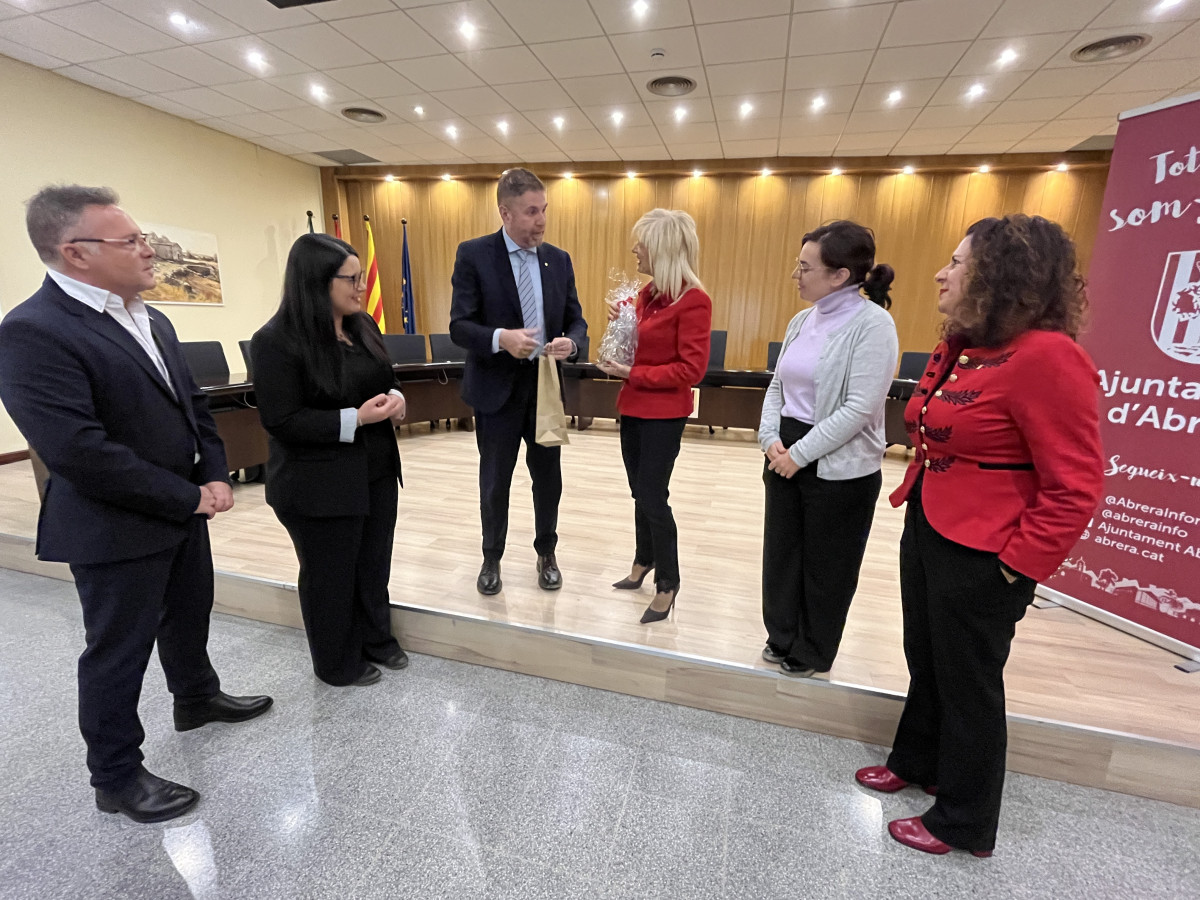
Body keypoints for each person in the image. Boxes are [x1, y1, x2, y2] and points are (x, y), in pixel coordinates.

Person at [0, 185, 272, 824]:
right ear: (76, 253)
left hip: (181, 510)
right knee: (117, 651)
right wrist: (186, 495)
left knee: (188, 612)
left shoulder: (152, 316)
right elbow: (78, 450)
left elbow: (191, 406)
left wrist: (215, 473)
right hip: (112, 523)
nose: (149, 250)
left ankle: (196, 697)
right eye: (131, 241)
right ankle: (116, 776)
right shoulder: (31, 331)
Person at [855, 215, 1104, 858]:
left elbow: (1075, 488)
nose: (942, 273)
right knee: (928, 658)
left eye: (958, 264)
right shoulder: (973, 344)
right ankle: (919, 760)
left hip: (988, 550)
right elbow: (926, 421)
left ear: (999, 276)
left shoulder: (1049, 358)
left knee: (971, 684)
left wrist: (1015, 568)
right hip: (933, 521)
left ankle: (964, 821)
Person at [251, 233, 409, 688]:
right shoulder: (276, 341)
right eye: (352, 279)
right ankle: (336, 662)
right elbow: (282, 420)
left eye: (361, 278)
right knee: (330, 575)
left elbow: (388, 379)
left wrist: (396, 400)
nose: (361, 288)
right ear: (317, 281)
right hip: (316, 482)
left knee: (373, 562)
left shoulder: (362, 326)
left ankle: (377, 638)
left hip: (375, 469)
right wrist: (354, 419)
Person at [758, 220, 899, 677]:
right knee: (782, 554)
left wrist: (800, 455)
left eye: (805, 267)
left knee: (827, 566)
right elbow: (778, 385)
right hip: (785, 446)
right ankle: (780, 635)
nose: (795, 275)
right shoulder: (802, 318)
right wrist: (770, 439)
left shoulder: (874, 325)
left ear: (840, 275)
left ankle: (813, 649)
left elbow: (859, 407)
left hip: (839, 463)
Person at [449, 167, 588, 595]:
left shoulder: (558, 259)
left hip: (544, 388)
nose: (541, 220)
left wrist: (573, 343)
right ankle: (492, 558)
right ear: (505, 213)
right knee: (495, 480)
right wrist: (499, 338)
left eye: (544, 210)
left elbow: (576, 319)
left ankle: (546, 552)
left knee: (548, 479)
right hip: (496, 392)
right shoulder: (474, 255)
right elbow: (459, 326)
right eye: (531, 212)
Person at [598, 209, 711, 624]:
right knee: (637, 490)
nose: (634, 251)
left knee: (652, 495)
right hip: (633, 408)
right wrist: (621, 322)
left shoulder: (694, 301)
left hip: (664, 413)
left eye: (640, 244)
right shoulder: (646, 296)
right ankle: (643, 559)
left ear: (660, 249)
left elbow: (691, 370)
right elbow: (636, 336)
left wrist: (631, 372)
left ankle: (669, 581)